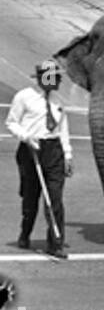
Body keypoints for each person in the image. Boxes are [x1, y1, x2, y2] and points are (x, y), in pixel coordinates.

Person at [6, 59, 73, 258]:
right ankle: (25, 233)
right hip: (30, 150)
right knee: (30, 198)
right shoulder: (24, 97)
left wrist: (67, 154)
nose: (58, 81)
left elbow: (63, 129)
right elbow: (11, 123)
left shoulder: (58, 101)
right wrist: (26, 137)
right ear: (44, 78)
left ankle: (55, 243)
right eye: (55, 78)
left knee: (54, 199)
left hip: (53, 151)